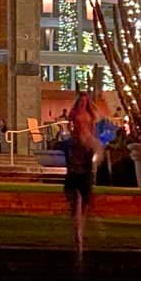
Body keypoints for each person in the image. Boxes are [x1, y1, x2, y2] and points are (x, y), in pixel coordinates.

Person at [63, 88, 103, 263]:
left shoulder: (90, 115)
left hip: (87, 139)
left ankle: (81, 227)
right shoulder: (75, 114)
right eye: (82, 100)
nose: (83, 102)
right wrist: (73, 134)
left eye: (85, 100)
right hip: (79, 138)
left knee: (93, 155)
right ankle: (78, 231)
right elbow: (70, 124)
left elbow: (93, 127)